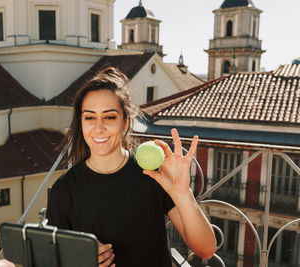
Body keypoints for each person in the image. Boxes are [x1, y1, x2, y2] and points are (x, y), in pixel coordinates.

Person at [46, 67, 216, 267]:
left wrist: (182, 193)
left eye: (109, 117)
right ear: (81, 123)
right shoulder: (64, 190)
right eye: (89, 117)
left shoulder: (154, 175)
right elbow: (53, 259)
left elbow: (206, 248)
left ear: (125, 122)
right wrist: (81, 259)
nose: (98, 127)